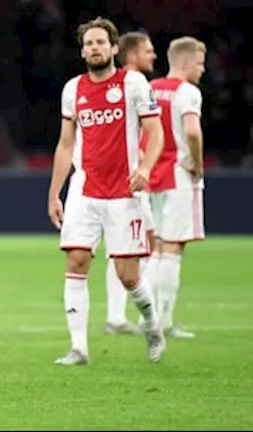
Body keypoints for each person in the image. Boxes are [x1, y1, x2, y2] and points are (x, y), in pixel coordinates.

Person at [47, 17, 166, 365]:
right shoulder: (73, 89)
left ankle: (152, 324)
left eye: (100, 42)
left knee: (128, 276)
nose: (94, 48)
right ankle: (79, 348)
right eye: (88, 43)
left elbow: (155, 132)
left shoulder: (133, 83)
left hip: (124, 192)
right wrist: (55, 193)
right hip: (84, 190)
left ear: (114, 48)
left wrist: (145, 168)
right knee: (76, 260)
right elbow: (65, 144)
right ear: (82, 51)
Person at [143, 37, 207, 339]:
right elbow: (192, 131)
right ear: (185, 62)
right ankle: (165, 321)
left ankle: (148, 317)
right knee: (173, 246)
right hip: (179, 174)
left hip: (152, 174)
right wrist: (197, 163)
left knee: (156, 246)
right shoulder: (188, 92)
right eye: (200, 63)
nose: (202, 70)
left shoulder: (150, 88)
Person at [104, 31, 159, 335]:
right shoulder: (130, 83)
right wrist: (142, 164)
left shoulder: (121, 84)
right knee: (140, 244)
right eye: (148, 51)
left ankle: (119, 315)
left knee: (129, 246)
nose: (153, 56)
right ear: (132, 55)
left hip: (127, 177)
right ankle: (131, 315)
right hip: (127, 180)